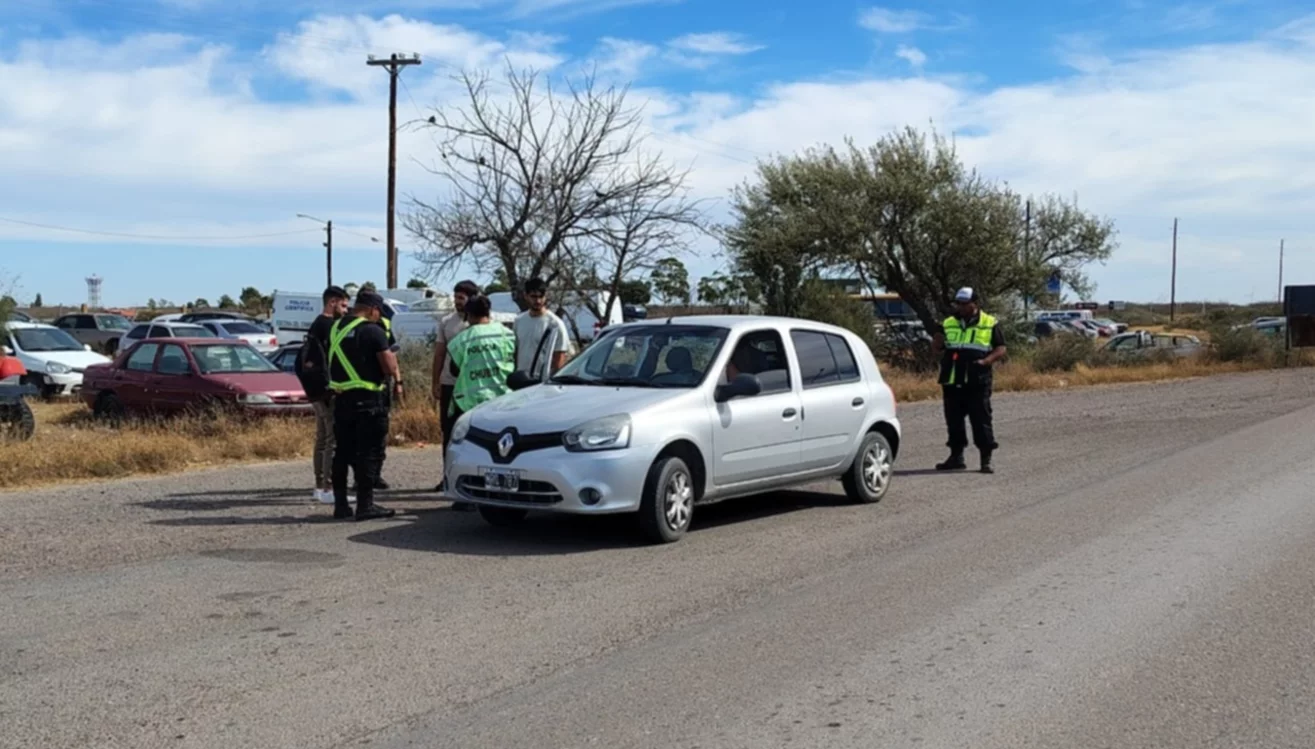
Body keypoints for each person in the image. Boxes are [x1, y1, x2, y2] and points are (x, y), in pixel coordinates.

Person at [327, 290, 403, 520]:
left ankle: (340, 505)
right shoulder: (373, 331)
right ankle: (365, 505)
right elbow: (389, 367)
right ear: (373, 309)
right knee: (368, 454)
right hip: (369, 401)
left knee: (341, 452)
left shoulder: (336, 328)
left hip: (342, 400)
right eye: (378, 312)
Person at [932, 287, 1007, 474]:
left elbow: (1001, 348)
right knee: (954, 420)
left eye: (965, 303)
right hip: (952, 378)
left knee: (981, 419)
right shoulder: (948, 322)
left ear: (975, 303)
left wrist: (986, 361)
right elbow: (937, 348)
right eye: (959, 303)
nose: (961, 307)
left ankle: (985, 459)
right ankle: (956, 457)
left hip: (977, 379)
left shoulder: (989, 322)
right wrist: (937, 341)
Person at [298, 285, 349, 505]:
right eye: (344, 305)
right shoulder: (329, 326)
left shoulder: (315, 325)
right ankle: (328, 486)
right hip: (327, 390)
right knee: (331, 440)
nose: (346, 311)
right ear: (332, 303)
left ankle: (319, 486)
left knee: (321, 438)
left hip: (314, 389)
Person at [432, 279, 479, 502]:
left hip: (473, 387)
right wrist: (436, 381)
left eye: (461, 298)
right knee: (449, 432)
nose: (457, 302)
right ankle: (447, 476)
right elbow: (439, 353)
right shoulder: (447, 322)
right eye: (456, 297)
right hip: (450, 384)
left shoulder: (481, 322)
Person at [448, 294, 516, 421]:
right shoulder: (507, 334)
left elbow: (454, 370)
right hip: (503, 398)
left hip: (469, 403)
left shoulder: (462, 339)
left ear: (469, 314)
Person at [513, 277, 571, 383]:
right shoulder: (519, 321)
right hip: (521, 382)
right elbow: (516, 352)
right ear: (526, 296)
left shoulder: (555, 324)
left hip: (542, 383)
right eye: (534, 297)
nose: (538, 301)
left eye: (541, 296)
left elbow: (559, 359)